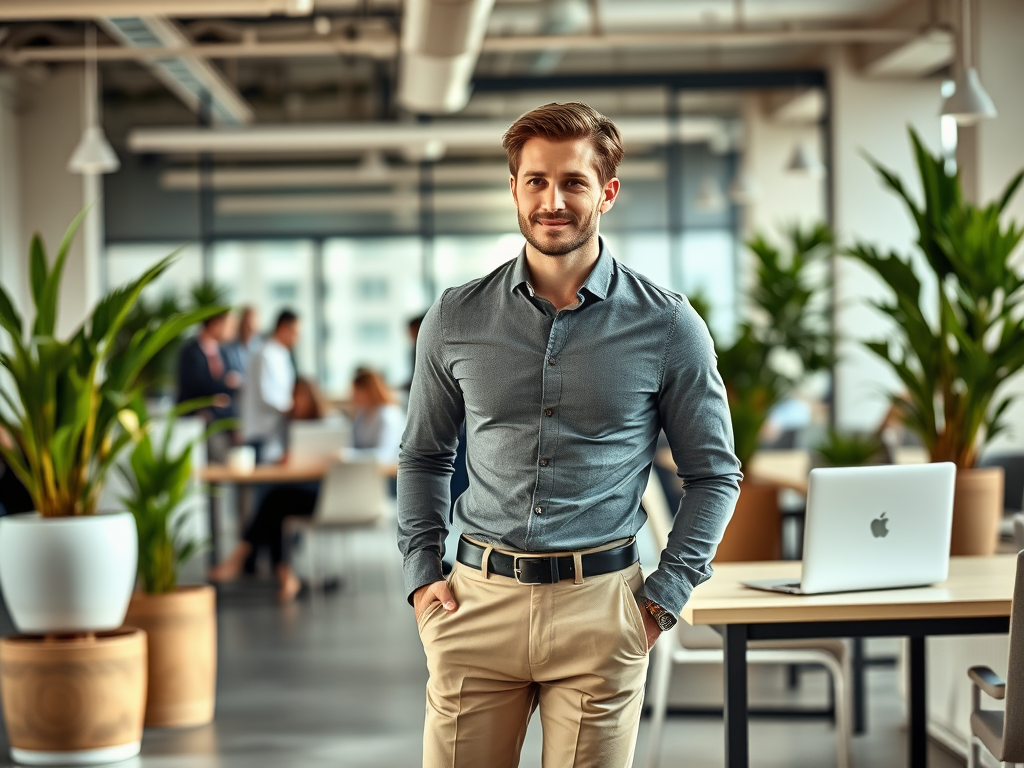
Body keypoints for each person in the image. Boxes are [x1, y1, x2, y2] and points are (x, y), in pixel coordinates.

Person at [398, 102, 742, 768]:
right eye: (536, 180)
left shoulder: (669, 326)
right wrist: (420, 578)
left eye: (574, 182)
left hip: (601, 611)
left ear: (607, 192)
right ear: (514, 188)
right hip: (476, 602)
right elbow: (423, 455)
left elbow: (714, 474)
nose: (553, 200)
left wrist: (661, 602)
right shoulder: (454, 317)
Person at [211, 371, 403, 602]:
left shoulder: (384, 416)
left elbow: (383, 457)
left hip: (355, 498)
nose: (353, 397)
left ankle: (248, 559)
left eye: (356, 392)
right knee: (275, 502)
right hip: (330, 494)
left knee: (275, 501)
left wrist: (345, 456)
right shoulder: (360, 418)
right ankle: (276, 570)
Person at [241, 309, 299, 464]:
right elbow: (265, 396)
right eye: (294, 332)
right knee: (262, 483)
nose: (297, 338)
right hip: (261, 432)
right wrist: (290, 408)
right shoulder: (264, 353)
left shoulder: (283, 354)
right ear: (282, 327)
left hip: (277, 432)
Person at [176, 311, 242, 431]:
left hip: (223, 416)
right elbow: (194, 383)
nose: (232, 330)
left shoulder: (224, 352)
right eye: (229, 325)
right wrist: (224, 383)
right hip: (197, 416)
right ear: (215, 324)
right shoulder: (191, 351)